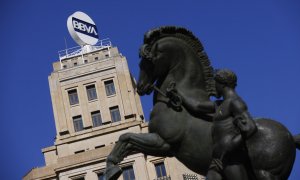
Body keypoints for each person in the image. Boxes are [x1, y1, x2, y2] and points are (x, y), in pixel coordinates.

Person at [166, 69, 257, 180]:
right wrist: (177, 93)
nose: (213, 87)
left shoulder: (235, 102)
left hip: (231, 159)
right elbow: (197, 106)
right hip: (217, 160)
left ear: (222, 84)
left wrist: (230, 146)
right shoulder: (219, 104)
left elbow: (251, 127)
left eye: (215, 83)